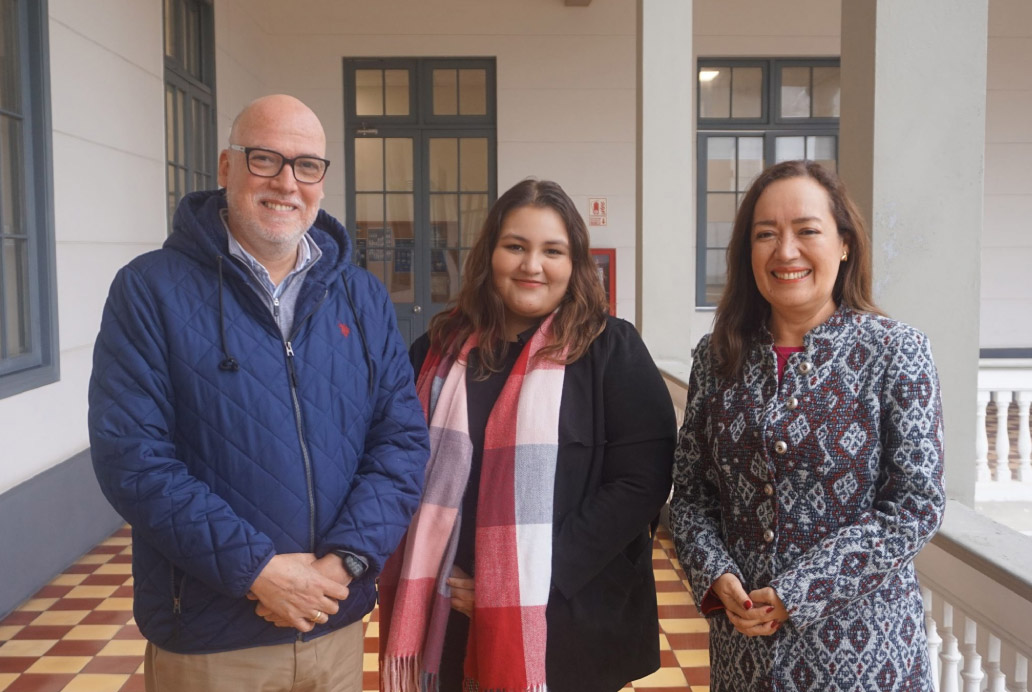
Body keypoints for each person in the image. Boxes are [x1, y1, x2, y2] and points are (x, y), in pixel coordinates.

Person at [88, 94, 430, 692]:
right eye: (265, 159)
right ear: (227, 167)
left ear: (321, 181)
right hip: (213, 641)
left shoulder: (362, 297)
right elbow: (133, 459)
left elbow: (400, 443)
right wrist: (257, 571)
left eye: (307, 166)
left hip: (333, 627)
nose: (287, 183)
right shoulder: (148, 290)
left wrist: (344, 562)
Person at [377, 178, 677, 692]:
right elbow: (396, 458)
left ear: (575, 263)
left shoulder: (610, 350)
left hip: (568, 615)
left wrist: (509, 580)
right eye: (515, 246)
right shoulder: (436, 349)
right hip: (448, 609)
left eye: (552, 251)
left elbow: (640, 484)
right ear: (489, 255)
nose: (531, 265)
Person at [671, 160, 945, 691]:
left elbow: (916, 505)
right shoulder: (717, 357)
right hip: (745, 659)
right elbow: (691, 498)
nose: (786, 251)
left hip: (865, 661)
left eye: (807, 231)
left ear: (844, 244)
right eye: (765, 234)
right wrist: (716, 575)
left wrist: (799, 592)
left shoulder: (895, 352)